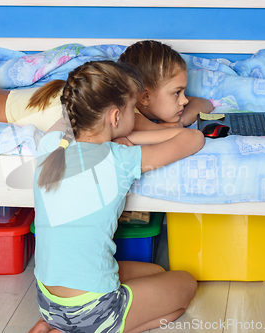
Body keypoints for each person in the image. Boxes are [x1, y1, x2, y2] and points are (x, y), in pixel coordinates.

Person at [29, 60, 205, 333]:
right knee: (185, 284)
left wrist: (116, 137)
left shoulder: (51, 145)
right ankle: (91, 329)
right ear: (115, 117)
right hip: (95, 308)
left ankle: (60, 326)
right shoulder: (118, 159)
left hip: (48, 302)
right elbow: (194, 140)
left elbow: (73, 122)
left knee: (156, 273)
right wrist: (131, 139)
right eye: (132, 109)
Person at [118, 40, 214, 131]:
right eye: (177, 93)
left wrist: (182, 120)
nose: (184, 101)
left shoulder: (156, 102)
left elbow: (204, 103)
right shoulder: (126, 116)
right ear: (145, 97)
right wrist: (162, 128)